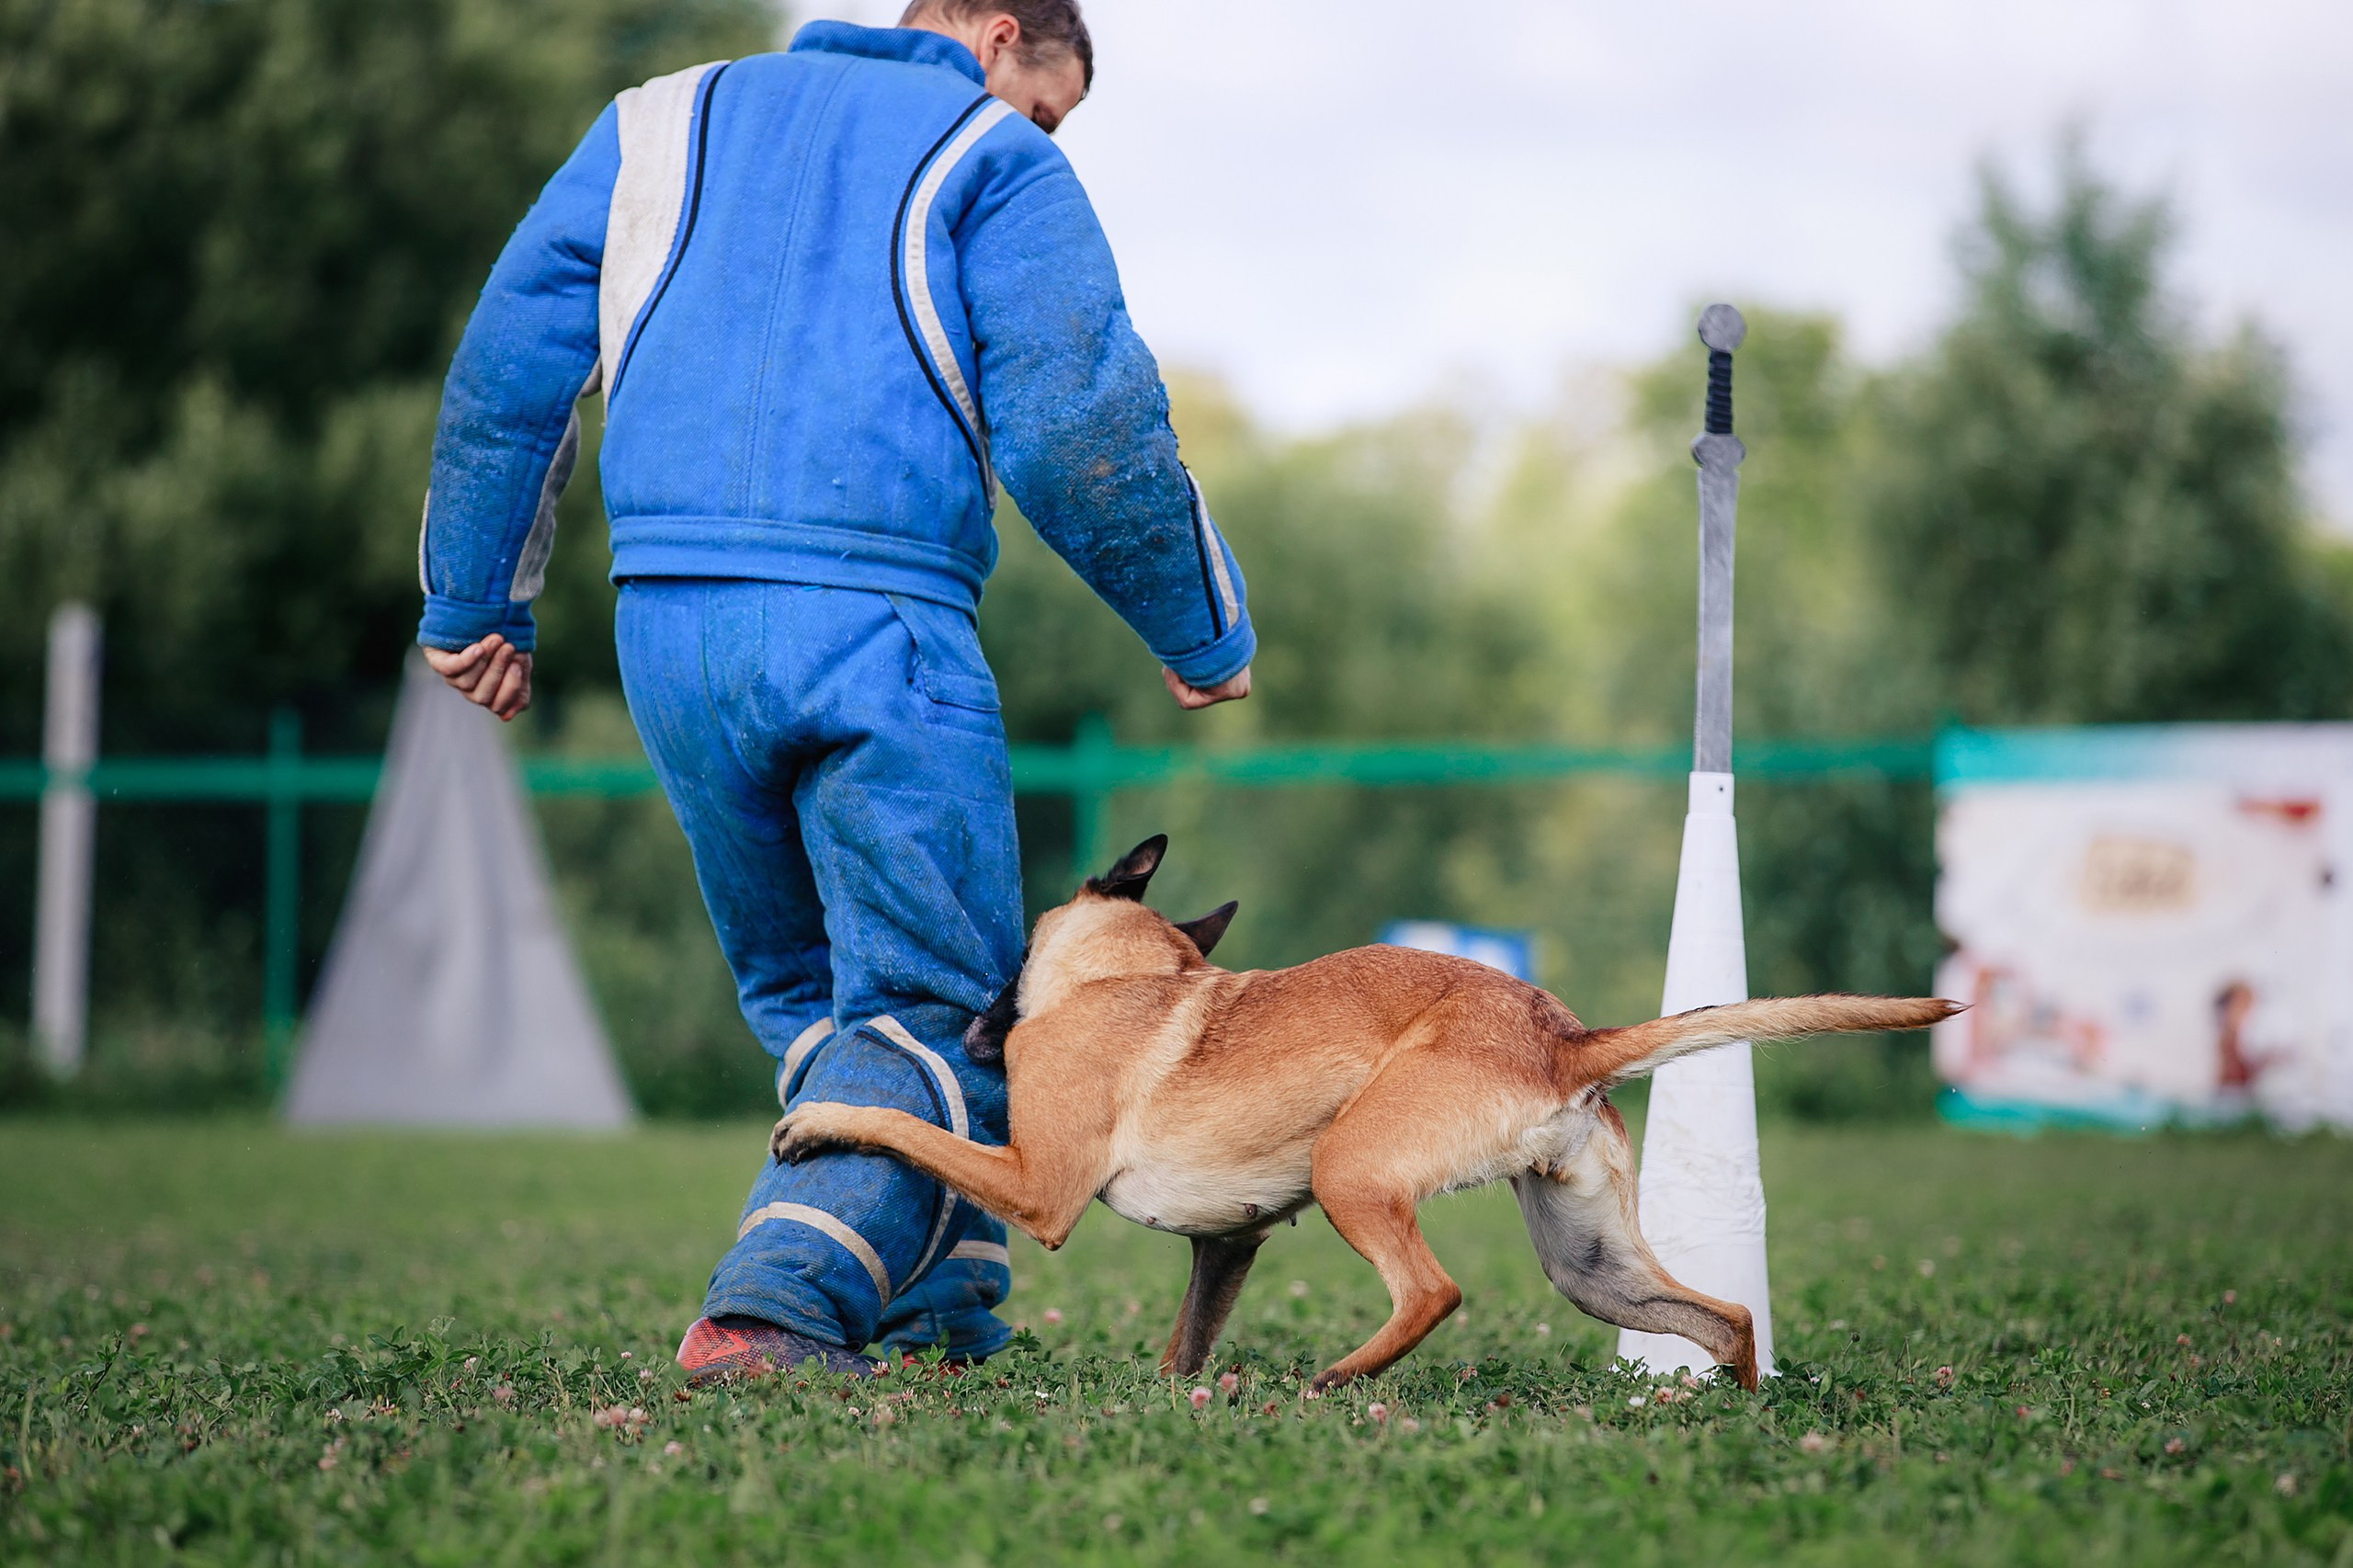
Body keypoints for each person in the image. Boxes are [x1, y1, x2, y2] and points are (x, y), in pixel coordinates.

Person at [412, 0, 1255, 1380]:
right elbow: (1081, 412)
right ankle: (777, 1310)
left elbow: (509, 371)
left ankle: (936, 1312)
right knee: (947, 1008)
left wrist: (475, 599)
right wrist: (1200, 619)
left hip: (670, 633)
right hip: (874, 623)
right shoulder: (992, 152)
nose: (1045, 133)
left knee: (810, 1001)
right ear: (996, 37)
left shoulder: (655, 123)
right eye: (1051, 104)